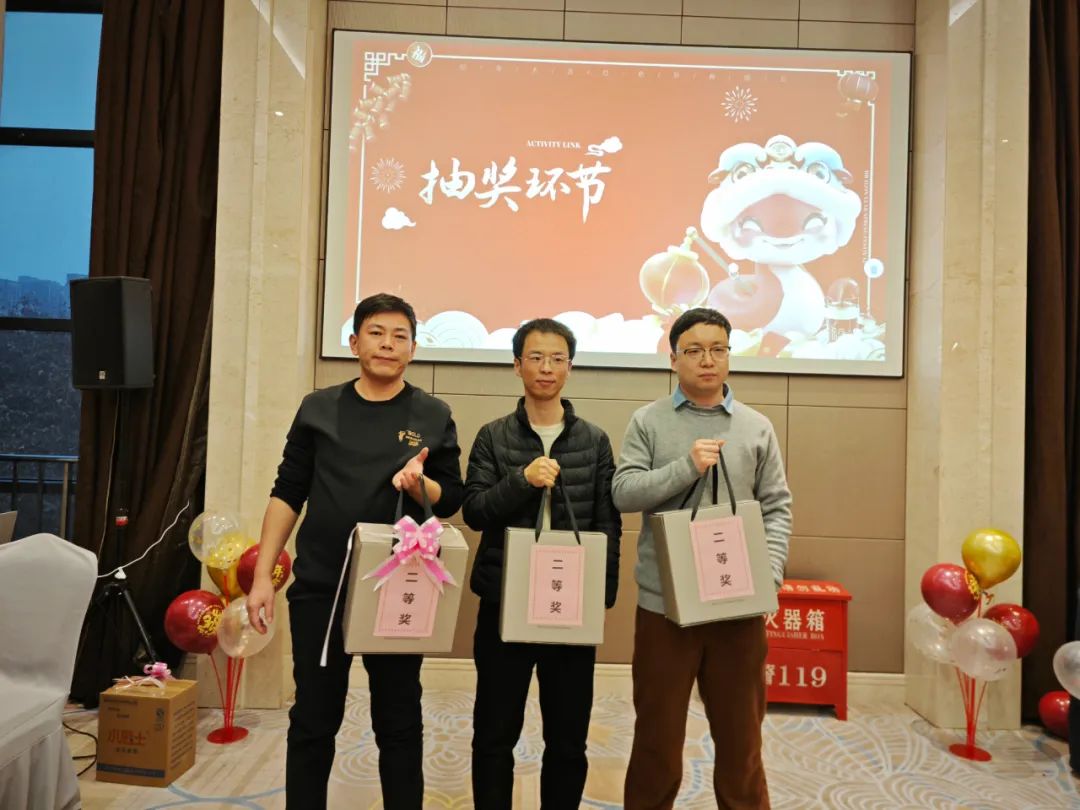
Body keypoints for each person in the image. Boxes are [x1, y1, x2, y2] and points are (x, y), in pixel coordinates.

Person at [246, 293, 464, 810]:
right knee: (313, 718)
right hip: (323, 585)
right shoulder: (318, 408)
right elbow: (288, 491)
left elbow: (452, 497)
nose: (388, 344)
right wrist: (262, 578)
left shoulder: (433, 414)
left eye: (400, 336)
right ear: (353, 342)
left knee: (399, 719)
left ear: (413, 349)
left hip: (399, 586)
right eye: (376, 333)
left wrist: (421, 485)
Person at [613, 307, 792, 810]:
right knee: (657, 741)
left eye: (718, 349)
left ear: (730, 356)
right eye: (694, 350)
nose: (707, 360)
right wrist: (686, 467)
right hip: (665, 608)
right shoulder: (648, 421)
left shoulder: (756, 427)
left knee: (742, 743)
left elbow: (777, 507)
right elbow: (623, 493)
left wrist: (769, 577)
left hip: (739, 606)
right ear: (674, 359)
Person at [463, 318, 622, 809]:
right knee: (494, 734)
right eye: (535, 357)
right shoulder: (492, 437)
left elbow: (608, 523)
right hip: (505, 601)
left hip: (570, 606)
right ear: (517, 366)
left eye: (557, 358)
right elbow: (474, 511)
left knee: (568, 740)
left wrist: (600, 597)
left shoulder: (594, 441)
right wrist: (522, 479)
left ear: (570, 367)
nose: (546, 368)